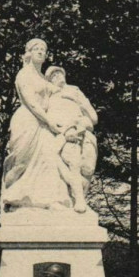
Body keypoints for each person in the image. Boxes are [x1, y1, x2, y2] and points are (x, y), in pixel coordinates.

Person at [1, 39, 73, 212]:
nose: (41, 52)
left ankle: (50, 200)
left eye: (44, 49)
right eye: (36, 49)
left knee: (49, 160)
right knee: (21, 163)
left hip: (45, 125)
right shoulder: (24, 75)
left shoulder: (43, 78)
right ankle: (9, 197)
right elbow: (32, 104)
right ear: (29, 53)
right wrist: (51, 123)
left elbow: (60, 92)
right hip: (28, 121)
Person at [44, 66, 98, 212]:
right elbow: (50, 121)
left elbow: (93, 118)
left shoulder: (75, 91)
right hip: (66, 135)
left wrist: (78, 104)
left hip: (84, 133)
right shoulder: (50, 97)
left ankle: (80, 198)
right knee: (73, 164)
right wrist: (66, 130)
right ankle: (79, 201)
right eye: (52, 76)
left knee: (88, 169)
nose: (57, 76)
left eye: (59, 73)